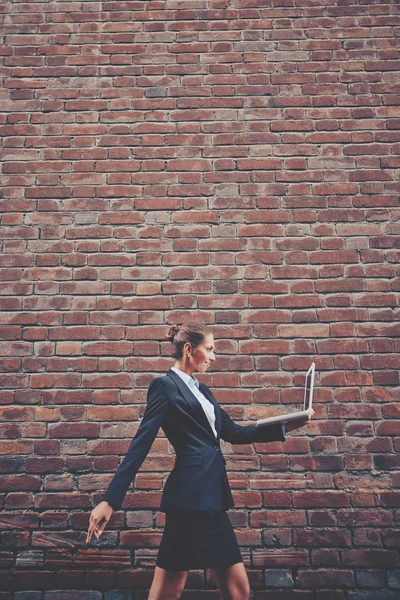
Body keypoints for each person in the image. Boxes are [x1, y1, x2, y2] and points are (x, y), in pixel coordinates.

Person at [86, 322, 315, 600]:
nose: (213, 356)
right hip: (189, 500)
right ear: (188, 349)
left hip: (213, 500)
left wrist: (285, 426)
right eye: (209, 349)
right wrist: (110, 500)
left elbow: (234, 433)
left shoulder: (204, 392)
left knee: (238, 591)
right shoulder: (165, 387)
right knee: (169, 591)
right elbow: (140, 445)